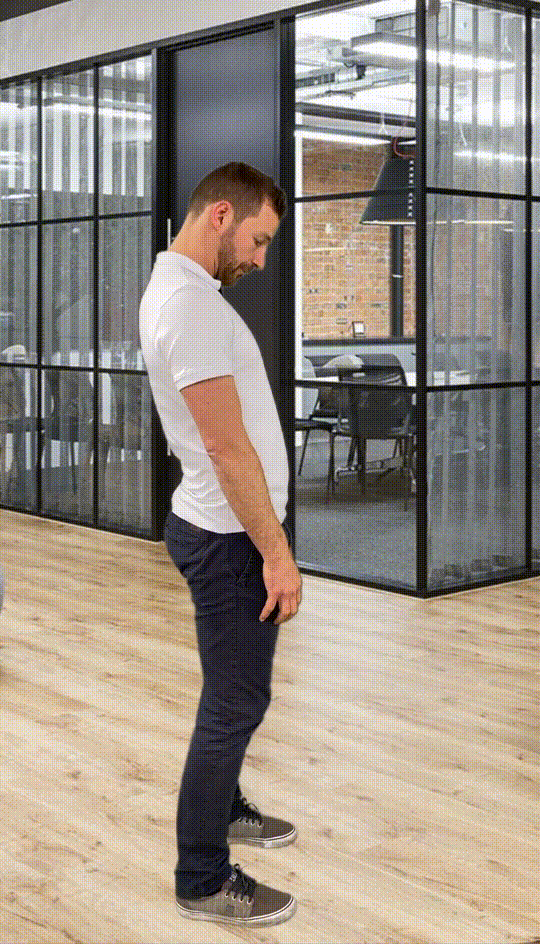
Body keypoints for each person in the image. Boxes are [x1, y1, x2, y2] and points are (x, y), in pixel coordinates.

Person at [139, 162, 303, 927]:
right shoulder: (191, 307)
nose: (261, 259)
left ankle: (227, 807)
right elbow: (226, 447)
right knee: (236, 701)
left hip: (219, 526)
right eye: (259, 240)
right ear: (221, 216)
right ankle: (202, 876)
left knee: (228, 692)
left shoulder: (182, 292)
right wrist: (276, 553)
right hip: (230, 538)